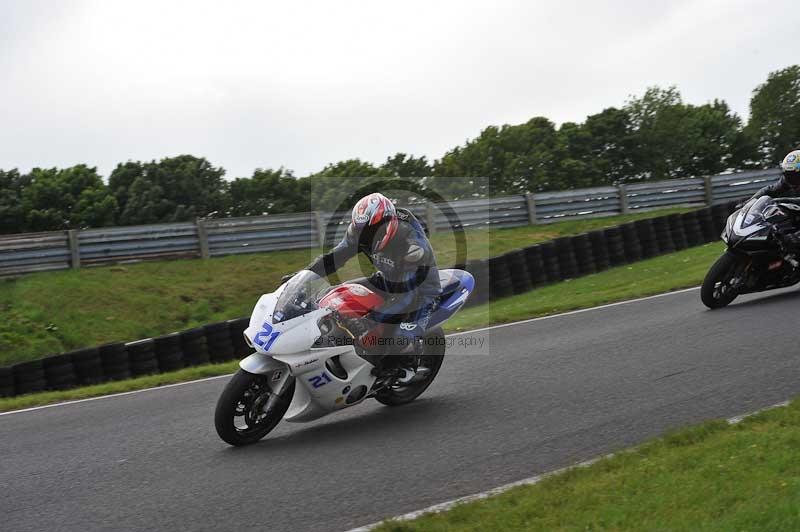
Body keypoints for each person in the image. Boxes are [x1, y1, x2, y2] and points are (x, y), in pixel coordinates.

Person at [305, 192, 441, 381]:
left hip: (420, 290)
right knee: (334, 295)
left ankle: (408, 366)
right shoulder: (357, 233)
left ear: (388, 224)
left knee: (397, 339)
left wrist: (372, 319)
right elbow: (334, 258)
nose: (367, 236)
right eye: (362, 230)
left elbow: (406, 295)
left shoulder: (411, 242)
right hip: (386, 279)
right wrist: (306, 275)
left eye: (372, 230)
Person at [748, 149, 800, 249]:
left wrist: (780, 201)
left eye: (797, 176)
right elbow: (770, 190)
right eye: (789, 176)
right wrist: (751, 202)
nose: (793, 180)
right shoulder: (787, 181)